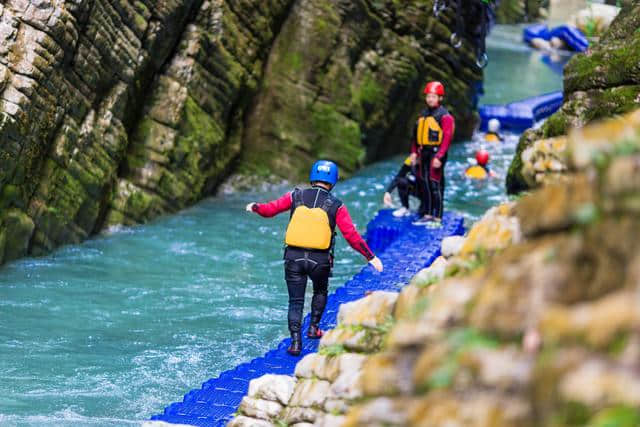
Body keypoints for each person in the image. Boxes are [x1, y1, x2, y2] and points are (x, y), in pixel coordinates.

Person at [245, 160, 383, 356]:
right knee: (320, 290)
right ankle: (313, 329)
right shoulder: (337, 205)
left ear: (312, 177)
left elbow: (269, 210)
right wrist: (371, 257)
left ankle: (295, 343)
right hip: (320, 261)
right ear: (333, 181)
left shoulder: (295, 196)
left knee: (295, 301)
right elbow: (351, 236)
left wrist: (255, 207)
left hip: (293, 258)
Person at [409, 81, 455, 226]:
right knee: (424, 182)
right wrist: (414, 153)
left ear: (440, 98)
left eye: (433, 96)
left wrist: (440, 156)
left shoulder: (445, 116)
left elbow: (447, 138)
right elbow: (416, 137)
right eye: (428, 96)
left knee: (435, 184)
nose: (430, 99)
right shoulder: (423, 114)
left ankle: (438, 216)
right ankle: (428, 213)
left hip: (436, 153)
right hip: (424, 153)